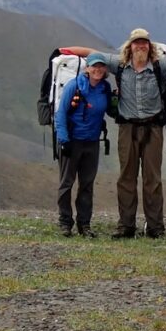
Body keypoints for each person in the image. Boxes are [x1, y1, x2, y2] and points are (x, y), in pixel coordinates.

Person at [61, 28, 166, 239]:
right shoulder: (118, 64)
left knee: (152, 179)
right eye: (137, 43)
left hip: (153, 127)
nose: (141, 46)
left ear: (150, 46)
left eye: (144, 43)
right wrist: (62, 51)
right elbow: (92, 53)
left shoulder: (160, 67)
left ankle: (155, 227)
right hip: (127, 128)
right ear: (130, 46)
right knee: (126, 178)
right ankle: (126, 226)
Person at [54, 51, 112, 238]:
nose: (98, 69)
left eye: (101, 66)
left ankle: (84, 224)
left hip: (92, 142)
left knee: (87, 184)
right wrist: (64, 140)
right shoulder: (74, 86)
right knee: (67, 183)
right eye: (94, 66)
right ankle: (65, 222)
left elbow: (111, 110)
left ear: (105, 70)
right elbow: (61, 113)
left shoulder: (105, 88)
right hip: (73, 141)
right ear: (87, 68)